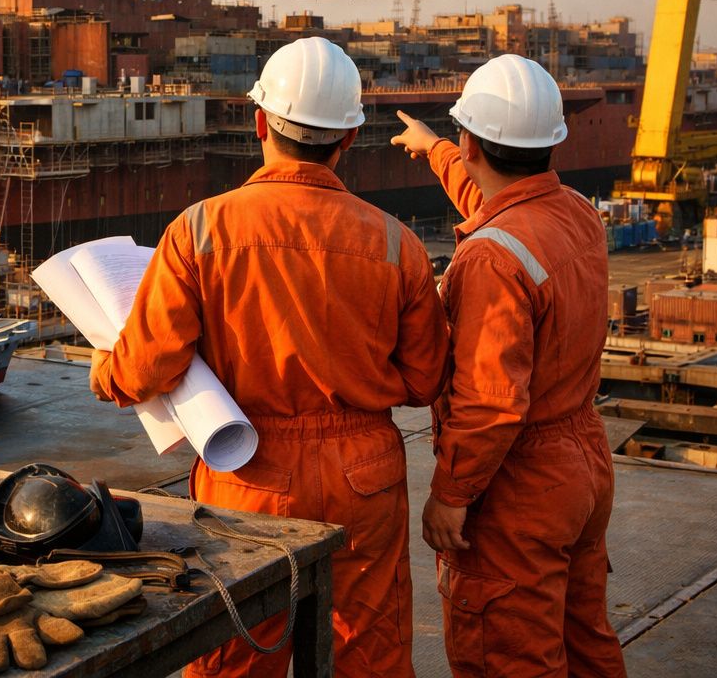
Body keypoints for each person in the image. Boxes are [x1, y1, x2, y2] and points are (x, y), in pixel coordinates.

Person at [90, 36, 449, 678]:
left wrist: (107, 373)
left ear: (260, 123)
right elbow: (426, 381)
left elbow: (147, 368)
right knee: (370, 655)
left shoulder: (199, 229)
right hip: (365, 475)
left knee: (236, 657)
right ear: (349, 138)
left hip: (248, 472)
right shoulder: (398, 243)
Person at [392, 54, 627, 678]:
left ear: (472, 143)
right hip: (582, 463)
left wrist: (451, 495)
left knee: (509, 655)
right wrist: (435, 150)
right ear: (552, 141)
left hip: (518, 485)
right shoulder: (575, 212)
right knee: (584, 641)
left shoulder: (490, 260)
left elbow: (490, 399)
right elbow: (501, 203)